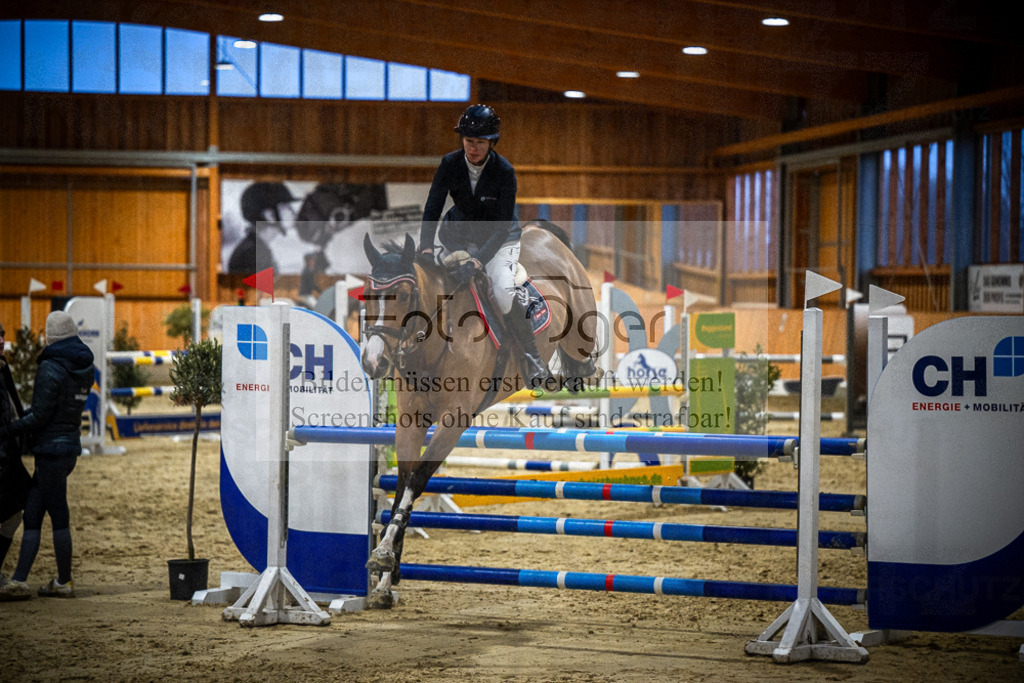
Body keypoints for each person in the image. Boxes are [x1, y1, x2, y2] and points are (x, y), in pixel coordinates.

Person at [419, 104, 548, 388]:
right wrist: (425, 246)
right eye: (468, 141)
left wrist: (477, 261)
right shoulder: (449, 164)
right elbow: (433, 206)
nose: (472, 148)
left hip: (499, 238)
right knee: (442, 286)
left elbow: (501, 226)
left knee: (501, 290)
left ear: (491, 142)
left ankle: (532, 356)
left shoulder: (504, 172)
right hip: (457, 236)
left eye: (479, 142)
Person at [0, 312, 94, 601]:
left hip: (50, 450)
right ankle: (19, 580)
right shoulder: (84, 366)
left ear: (50, 337)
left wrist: (9, 429)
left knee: (58, 514)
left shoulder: (52, 367)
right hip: (68, 446)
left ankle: (64, 581)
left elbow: (40, 415)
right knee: (33, 510)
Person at [0, 322, 32, 588]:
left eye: (2, 334)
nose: (1, 340)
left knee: (14, 514)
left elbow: (15, 408)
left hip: (8, 457)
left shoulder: (3, 367)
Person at [226, 182, 297, 274]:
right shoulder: (253, 255)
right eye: (287, 207)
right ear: (270, 215)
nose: (293, 212)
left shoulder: (255, 249)